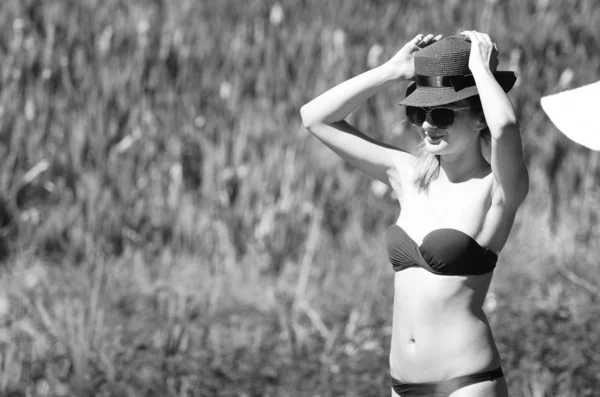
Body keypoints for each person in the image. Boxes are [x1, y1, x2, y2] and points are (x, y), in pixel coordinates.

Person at [300, 31, 529, 397]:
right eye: (418, 112)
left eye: (442, 113)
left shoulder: (497, 189)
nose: (426, 124)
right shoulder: (408, 176)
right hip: (403, 387)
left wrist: (481, 71)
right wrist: (392, 70)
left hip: (466, 384)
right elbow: (314, 118)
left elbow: (505, 127)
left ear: (479, 119)